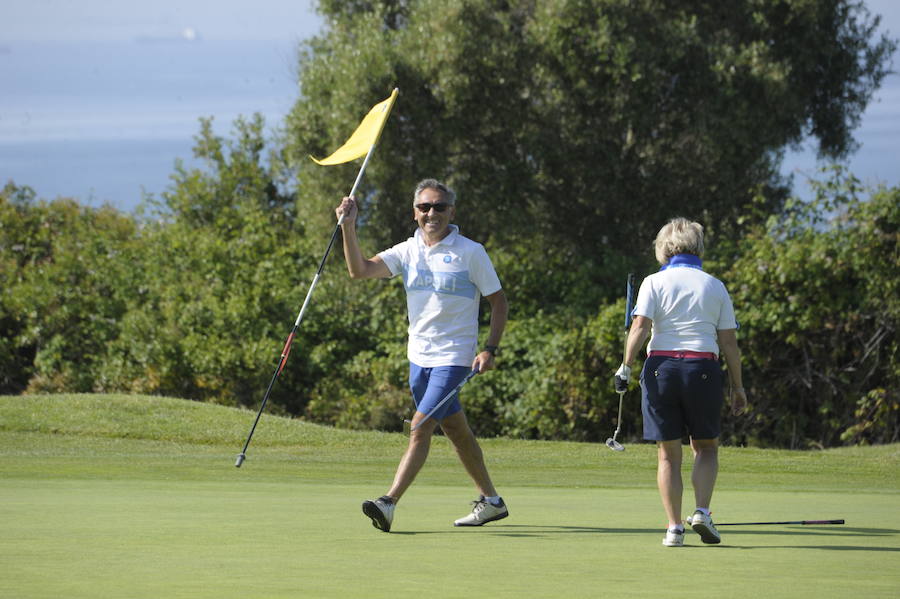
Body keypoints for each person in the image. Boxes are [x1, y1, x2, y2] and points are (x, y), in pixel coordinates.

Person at [336, 178, 509, 533]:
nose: (432, 213)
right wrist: (349, 228)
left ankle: (388, 502)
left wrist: (489, 348)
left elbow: (498, 301)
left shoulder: (470, 252)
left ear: (451, 212)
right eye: (425, 207)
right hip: (418, 357)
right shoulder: (407, 251)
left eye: (439, 207)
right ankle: (491, 501)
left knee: (419, 427)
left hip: (455, 357)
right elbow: (360, 270)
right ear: (414, 212)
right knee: (455, 429)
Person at [614, 217, 746, 547]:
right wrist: (738, 387)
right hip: (703, 368)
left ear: (664, 248)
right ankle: (701, 511)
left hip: (661, 370)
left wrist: (625, 367)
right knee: (706, 448)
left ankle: (674, 528)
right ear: (698, 247)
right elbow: (728, 342)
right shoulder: (714, 284)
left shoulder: (653, 282)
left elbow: (640, 328)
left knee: (668, 455)